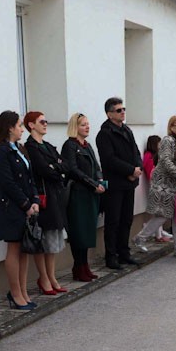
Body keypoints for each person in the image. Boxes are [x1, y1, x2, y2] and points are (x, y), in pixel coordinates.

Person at [0, 110, 40, 309]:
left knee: (25, 249)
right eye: (19, 125)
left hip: (26, 205)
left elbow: (30, 177)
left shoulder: (19, 149)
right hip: (11, 207)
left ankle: (24, 291)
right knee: (14, 248)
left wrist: (34, 199)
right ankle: (16, 293)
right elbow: (7, 182)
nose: (22, 129)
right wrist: (26, 205)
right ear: (10, 128)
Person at [133, 116, 176, 257]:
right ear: (171, 127)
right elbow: (165, 161)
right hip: (163, 184)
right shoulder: (167, 141)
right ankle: (140, 238)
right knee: (163, 215)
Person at [25, 111, 69, 294]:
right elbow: (44, 170)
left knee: (52, 241)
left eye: (46, 121)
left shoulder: (48, 146)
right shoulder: (31, 147)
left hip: (55, 196)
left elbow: (65, 165)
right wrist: (55, 168)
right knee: (42, 240)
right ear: (31, 125)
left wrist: (55, 167)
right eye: (41, 121)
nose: (45, 124)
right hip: (43, 198)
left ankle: (51, 277)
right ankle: (43, 278)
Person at [96, 97, 143, 269]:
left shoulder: (126, 130)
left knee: (126, 219)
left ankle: (124, 253)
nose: (122, 112)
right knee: (113, 221)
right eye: (118, 110)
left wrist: (137, 169)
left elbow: (136, 152)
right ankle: (111, 257)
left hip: (129, 183)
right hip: (115, 184)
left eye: (123, 109)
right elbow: (109, 159)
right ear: (109, 114)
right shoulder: (104, 134)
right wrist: (130, 171)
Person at [61, 113, 106, 282]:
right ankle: (78, 266)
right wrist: (92, 184)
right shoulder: (70, 146)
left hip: (90, 193)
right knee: (78, 231)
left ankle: (85, 265)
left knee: (87, 230)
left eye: (87, 124)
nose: (87, 127)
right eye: (83, 124)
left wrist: (100, 181)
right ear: (75, 127)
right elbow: (73, 170)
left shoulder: (87, 145)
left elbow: (96, 166)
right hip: (78, 193)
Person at [141, 135, 172, 243]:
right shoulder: (149, 156)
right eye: (159, 143)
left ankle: (160, 232)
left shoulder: (156, 155)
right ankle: (158, 235)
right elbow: (149, 170)